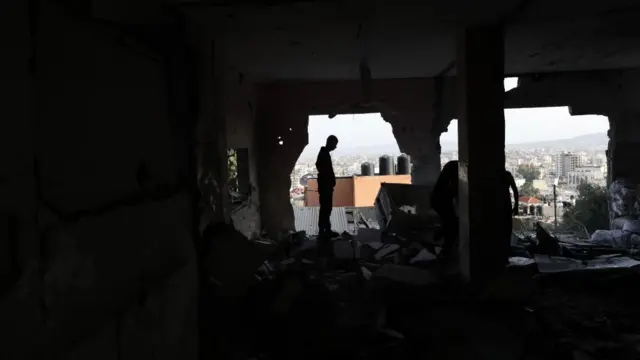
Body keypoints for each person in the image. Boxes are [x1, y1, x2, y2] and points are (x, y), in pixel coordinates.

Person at [431, 161, 519, 263]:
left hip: (440, 201)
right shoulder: (456, 170)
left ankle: (444, 244)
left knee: (451, 224)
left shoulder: (453, 169)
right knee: (452, 226)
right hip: (442, 201)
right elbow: (456, 189)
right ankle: (445, 249)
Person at [316, 135, 338, 238]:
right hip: (325, 186)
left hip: (326, 185)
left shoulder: (324, 153)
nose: (335, 147)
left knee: (326, 208)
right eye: (335, 144)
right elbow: (321, 167)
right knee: (325, 208)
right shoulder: (324, 154)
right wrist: (327, 179)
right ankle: (322, 231)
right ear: (330, 143)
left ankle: (326, 230)